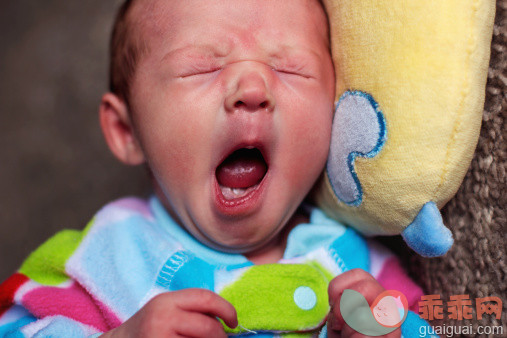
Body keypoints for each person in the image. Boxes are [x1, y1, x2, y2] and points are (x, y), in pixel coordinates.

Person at [0, 0, 433, 336]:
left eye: (290, 68)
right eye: (201, 66)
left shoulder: (358, 266)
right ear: (126, 129)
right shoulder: (102, 256)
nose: (251, 87)